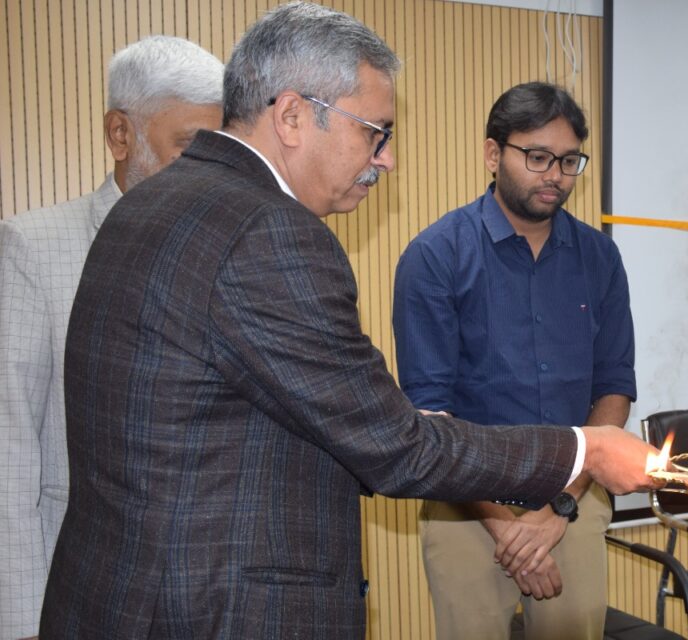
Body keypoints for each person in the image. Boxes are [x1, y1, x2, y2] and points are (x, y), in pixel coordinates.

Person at [39, 4, 656, 638]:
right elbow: (397, 445)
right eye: (374, 131)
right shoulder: (271, 234)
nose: (385, 159)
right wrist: (586, 447)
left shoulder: (144, 203)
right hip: (220, 609)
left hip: (120, 598)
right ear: (291, 116)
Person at [0, 36, 223, 639]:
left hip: (205, 597)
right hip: (82, 593)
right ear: (120, 134)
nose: (208, 171)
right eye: (187, 147)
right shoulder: (33, 248)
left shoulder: (228, 252)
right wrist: (23, 620)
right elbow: (10, 447)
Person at [392, 81, 634, 639]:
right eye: (538, 157)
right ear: (492, 154)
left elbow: (614, 386)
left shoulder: (600, 256)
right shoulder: (435, 255)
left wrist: (558, 510)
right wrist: (508, 528)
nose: (555, 174)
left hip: (571, 503)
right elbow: (429, 413)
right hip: (465, 511)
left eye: (569, 160)